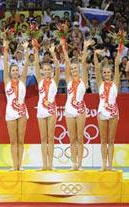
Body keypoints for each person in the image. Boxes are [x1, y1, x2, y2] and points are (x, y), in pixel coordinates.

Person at [61, 39, 94, 170]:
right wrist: (64, 47)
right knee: (72, 138)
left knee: (80, 138)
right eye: (72, 68)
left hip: (81, 110)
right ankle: (73, 163)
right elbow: (67, 63)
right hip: (69, 110)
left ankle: (80, 164)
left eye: (76, 68)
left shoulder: (83, 81)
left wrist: (85, 48)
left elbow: (84, 64)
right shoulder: (68, 80)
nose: (74, 69)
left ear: (78, 70)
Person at [94, 46, 121, 171]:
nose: (106, 74)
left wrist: (119, 53)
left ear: (111, 73)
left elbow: (116, 66)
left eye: (108, 72)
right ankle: (103, 164)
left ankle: (110, 165)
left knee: (111, 140)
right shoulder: (100, 83)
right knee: (103, 139)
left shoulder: (116, 82)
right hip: (102, 112)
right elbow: (96, 67)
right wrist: (95, 55)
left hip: (114, 113)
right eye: (104, 72)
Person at [3, 40, 29, 171]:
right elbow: (5, 61)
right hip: (10, 113)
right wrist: (6, 48)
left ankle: (20, 164)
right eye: (13, 70)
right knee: (13, 141)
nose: (15, 72)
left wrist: (26, 50)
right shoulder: (6, 81)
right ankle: (14, 165)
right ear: (9, 72)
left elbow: (26, 66)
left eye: (16, 70)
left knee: (20, 140)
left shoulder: (22, 80)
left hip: (22, 112)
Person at [34, 43, 60, 171]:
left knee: (51, 137)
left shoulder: (55, 80)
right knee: (43, 138)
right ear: (42, 71)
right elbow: (35, 66)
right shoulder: (40, 80)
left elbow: (58, 68)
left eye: (49, 69)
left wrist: (53, 53)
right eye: (45, 70)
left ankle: (51, 164)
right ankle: (44, 164)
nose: (47, 71)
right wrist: (36, 50)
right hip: (41, 110)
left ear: (52, 71)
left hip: (51, 110)